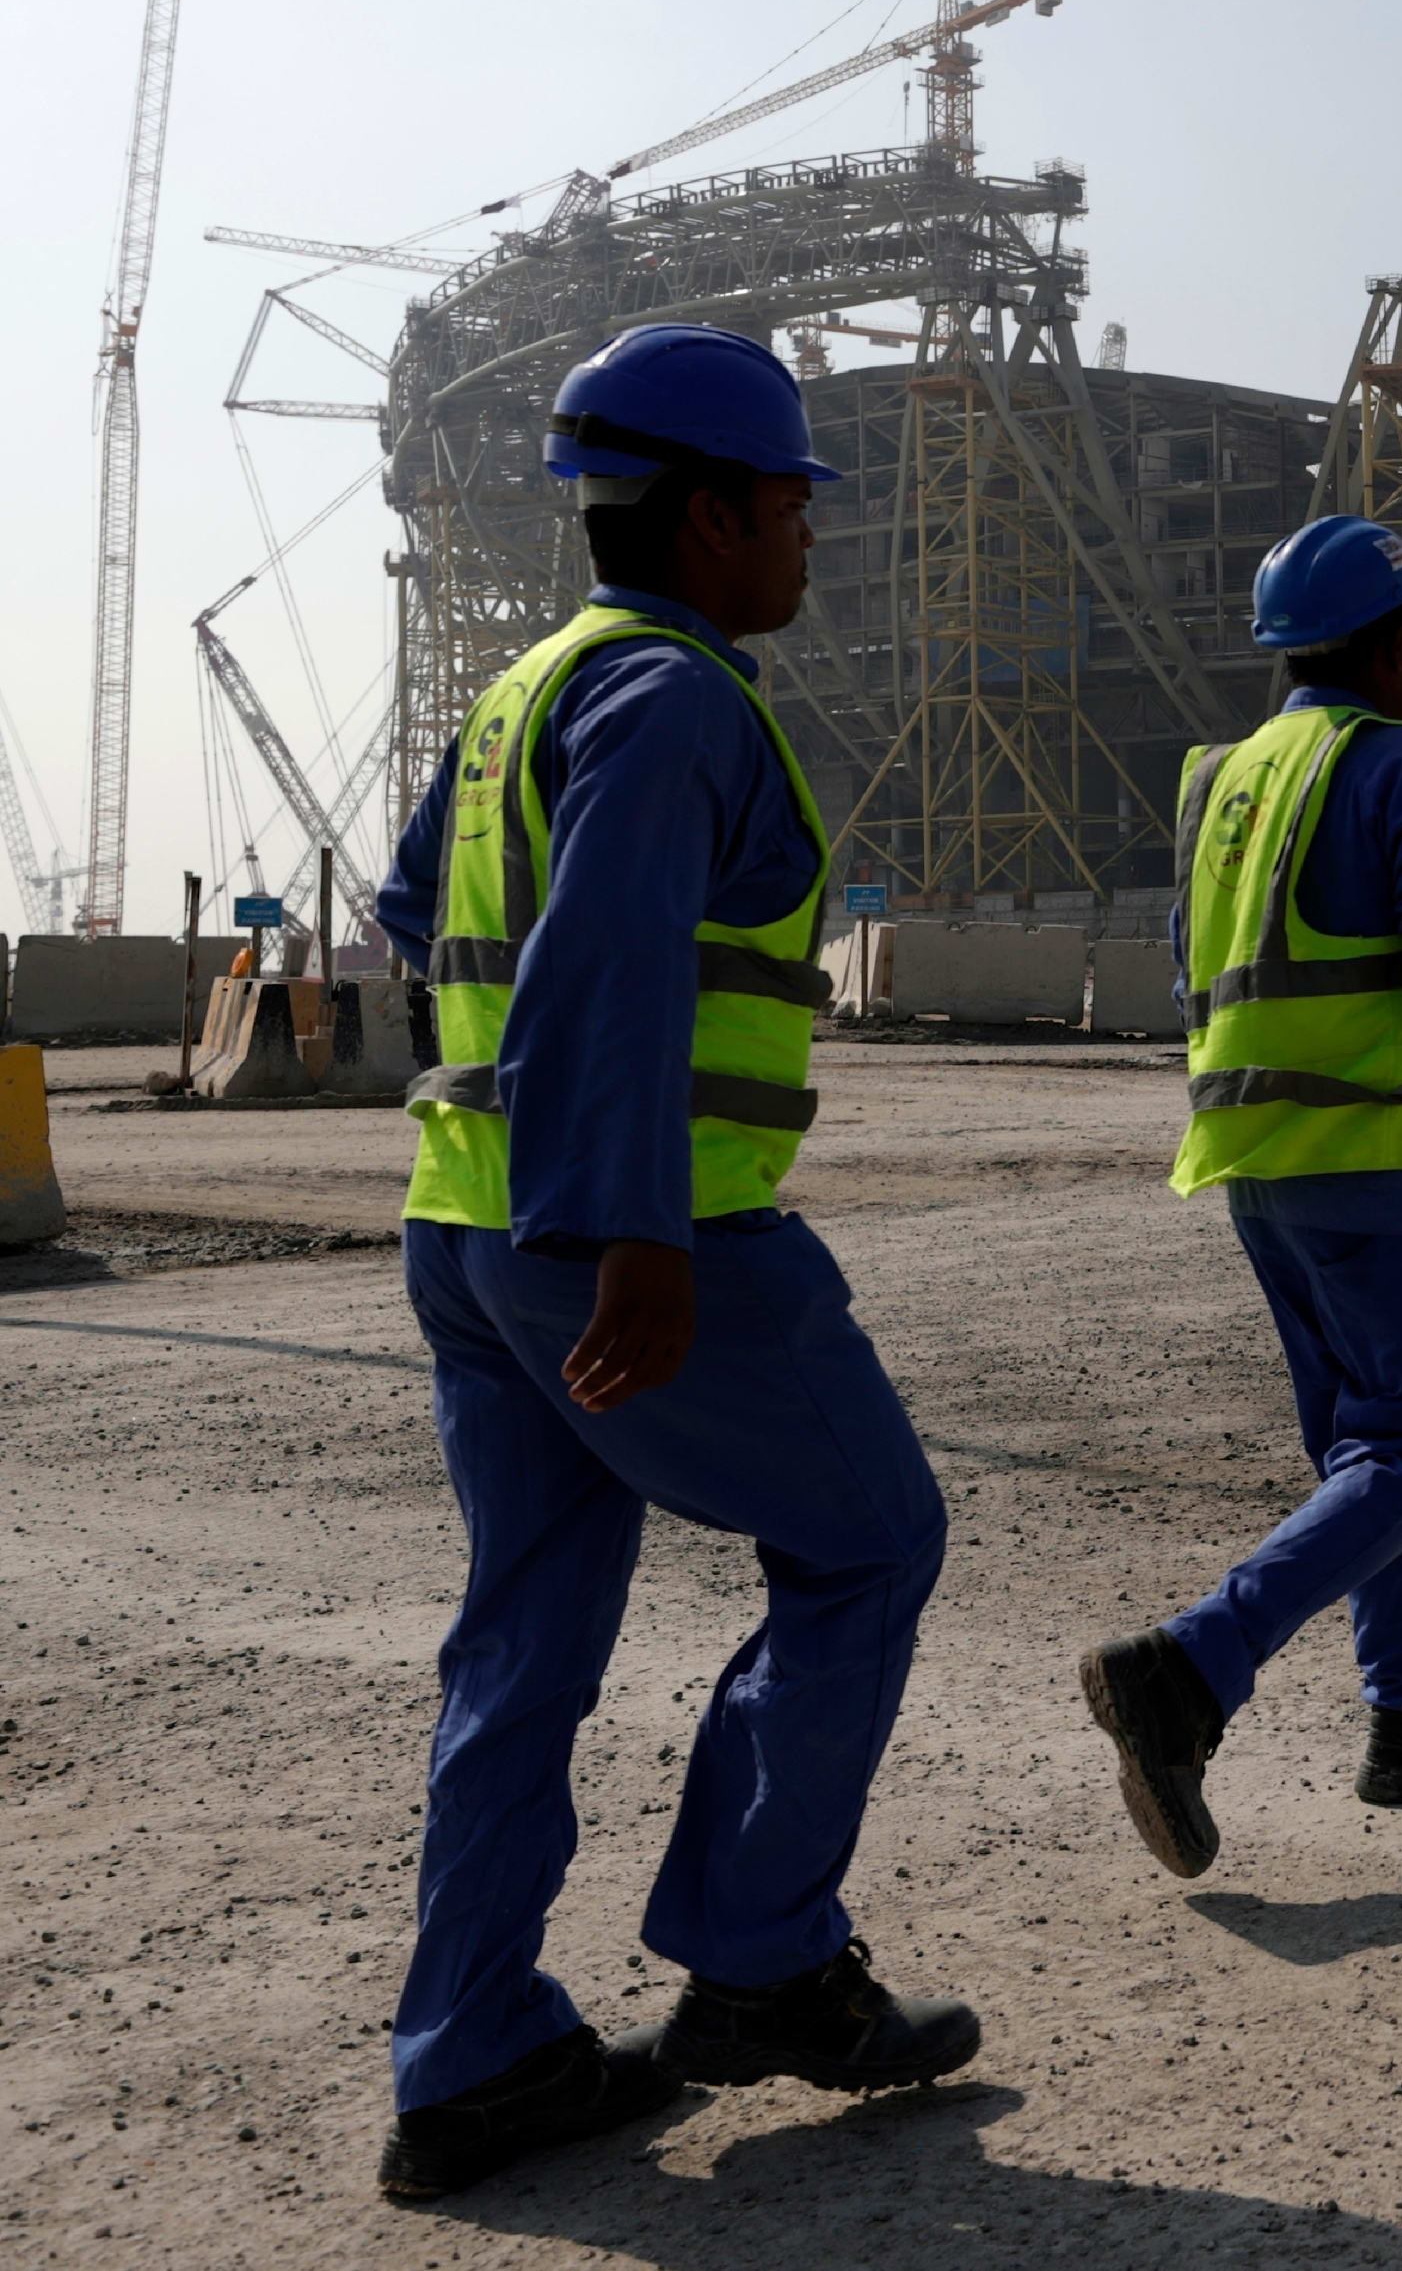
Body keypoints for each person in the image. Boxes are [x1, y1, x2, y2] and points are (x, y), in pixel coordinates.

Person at [372, 324, 973, 2203]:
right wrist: (636, 1226)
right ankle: (760, 1960)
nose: (808, 536)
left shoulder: (521, 690)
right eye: (792, 503)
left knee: (524, 1638)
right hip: (646, 1232)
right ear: (712, 516)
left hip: (467, 1226)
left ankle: (470, 2055)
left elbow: (416, 910)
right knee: (870, 1538)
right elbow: (615, 951)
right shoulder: (674, 694)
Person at [1078, 514, 1402, 1881]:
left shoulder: (1222, 779)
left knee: (1371, 1445)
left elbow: (1191, 963)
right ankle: (1193, 1664)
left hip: (1252, 1159)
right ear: (1392, 646)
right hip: (1379, 1156)